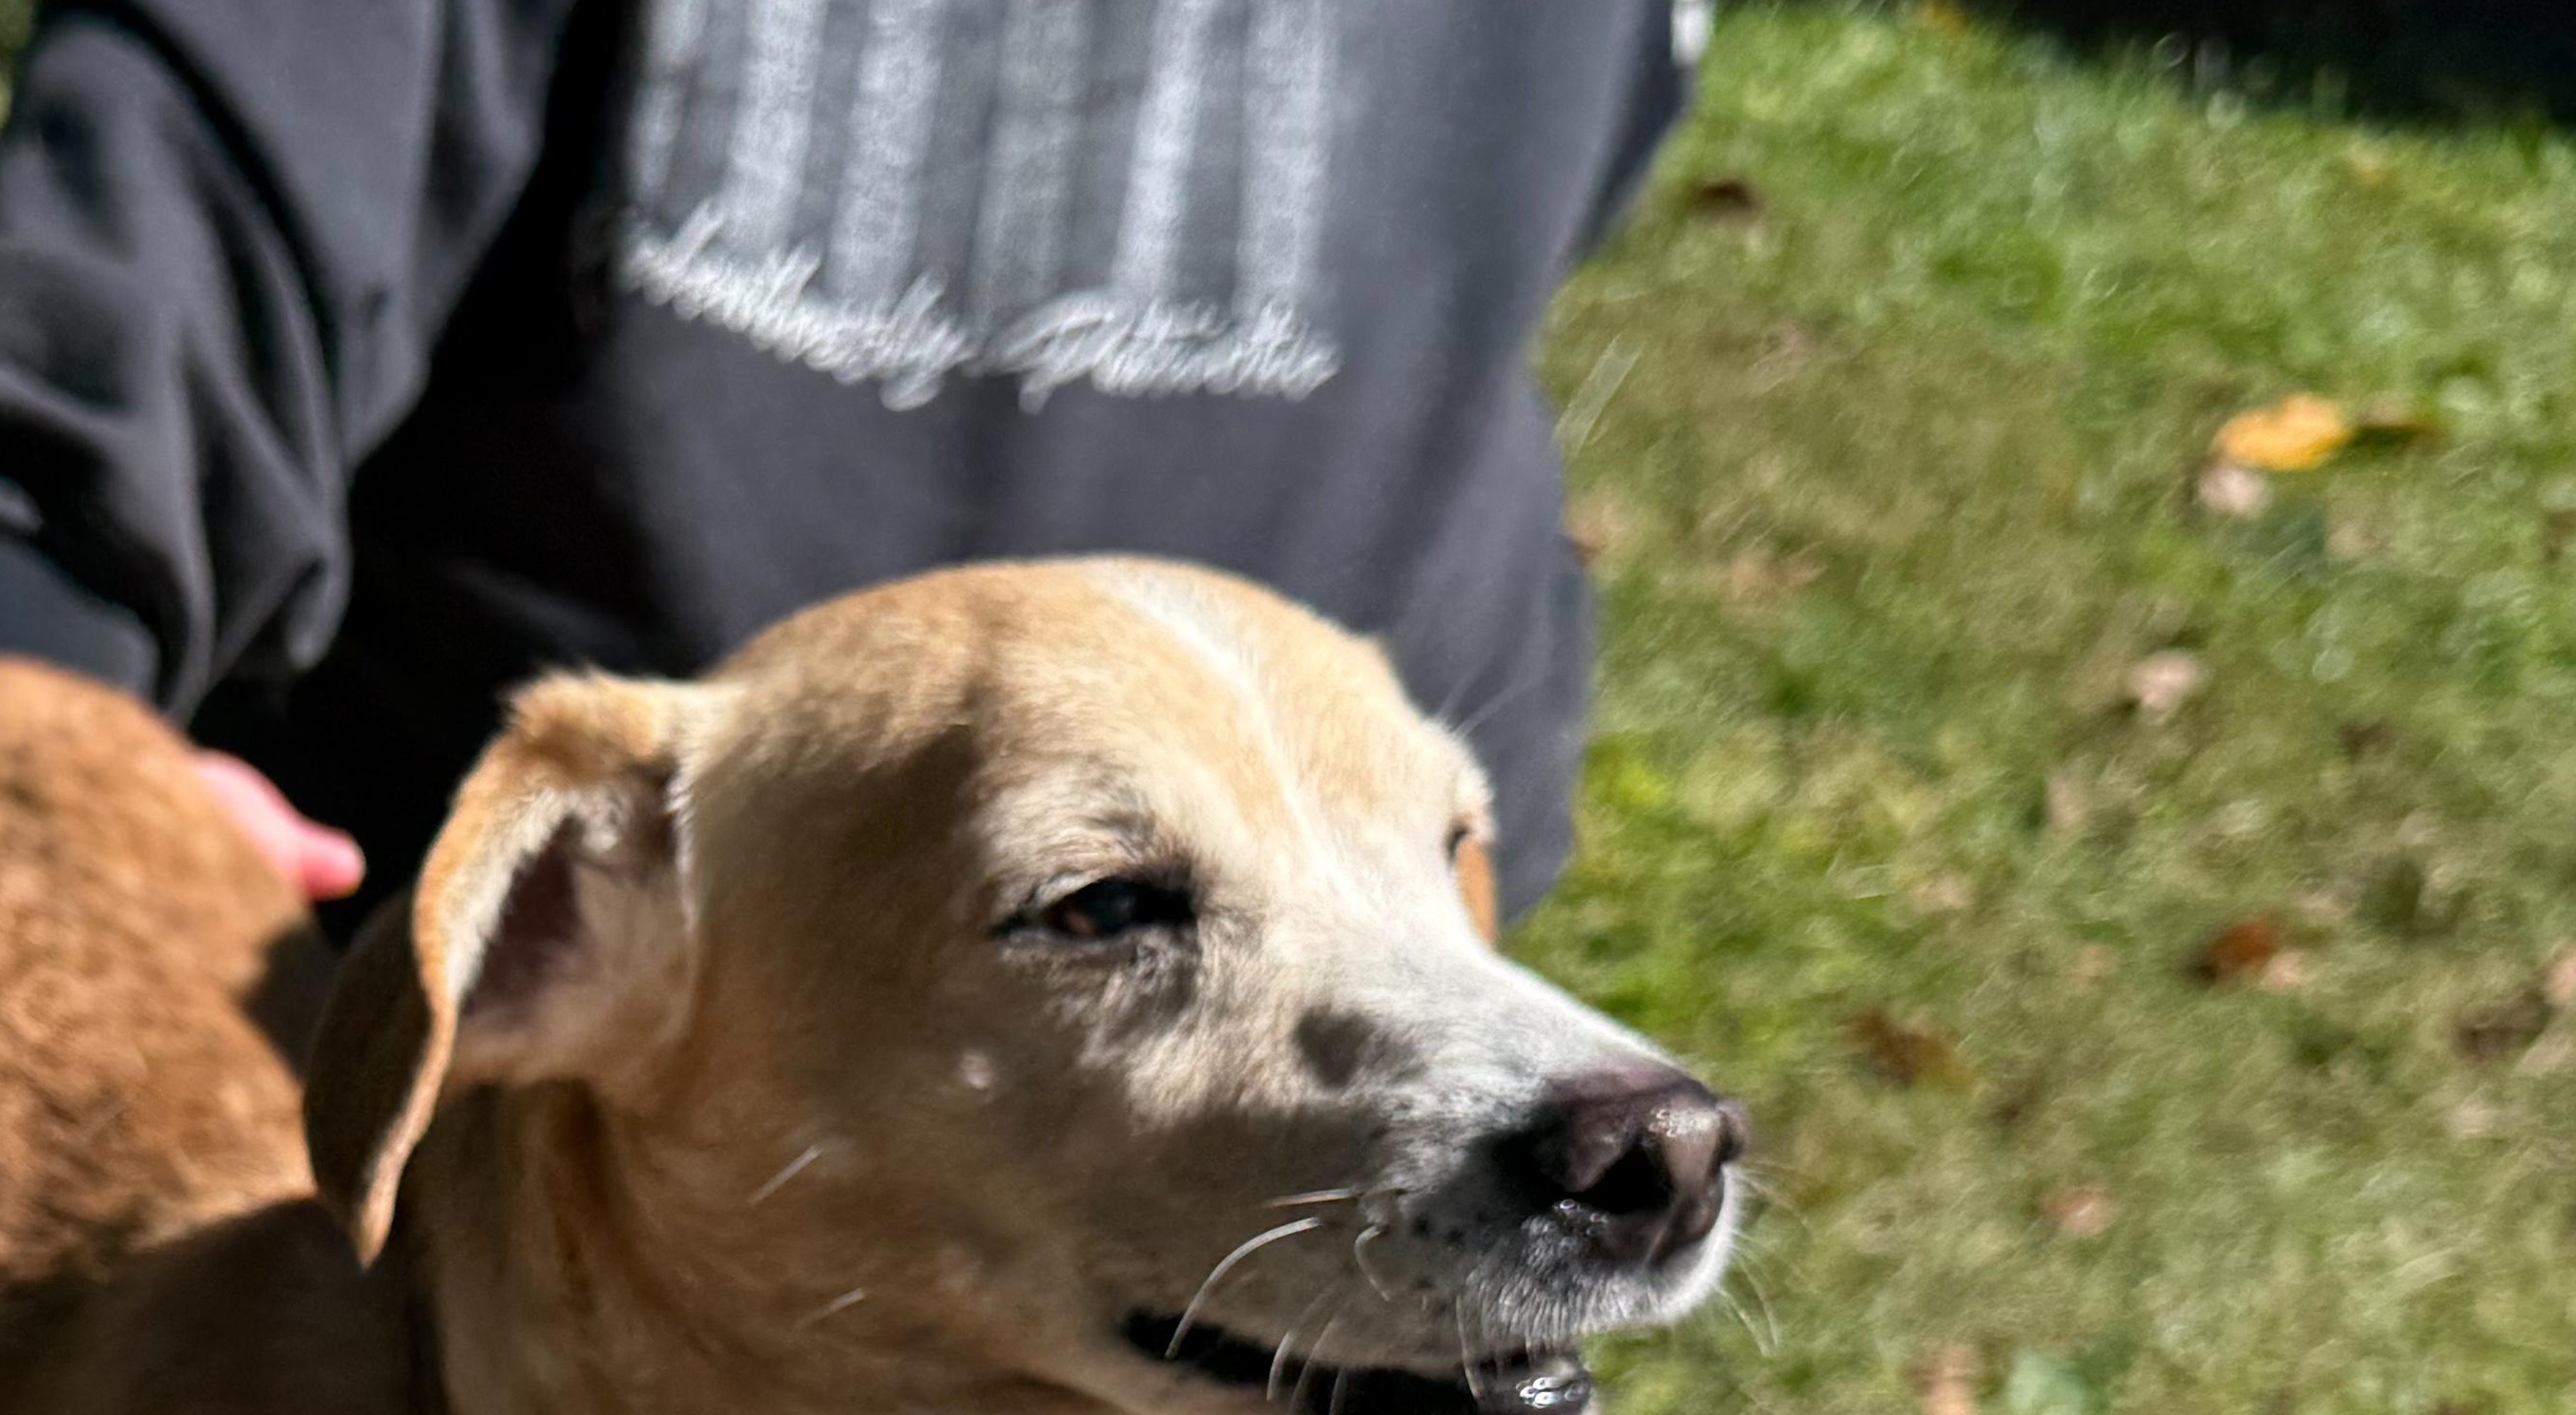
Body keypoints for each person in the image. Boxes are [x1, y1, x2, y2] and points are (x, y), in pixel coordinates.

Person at [0, 0, 1697, 920]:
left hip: (1340, 913)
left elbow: (1489, 257)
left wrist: (1446, 877)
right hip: (504, 949)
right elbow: (152, 269)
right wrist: (43, 712)